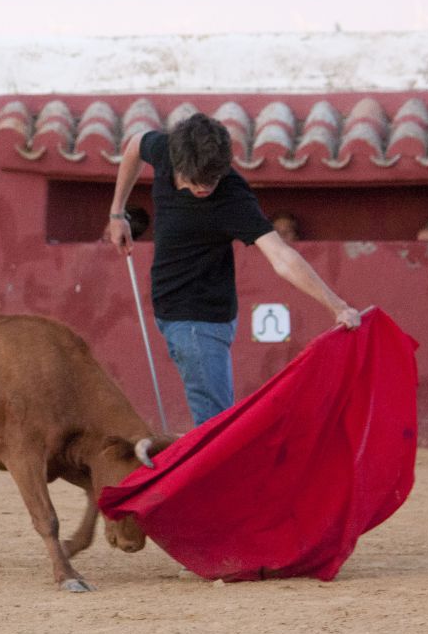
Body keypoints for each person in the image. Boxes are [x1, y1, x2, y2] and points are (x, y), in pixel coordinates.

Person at [105, 113, 360, 429]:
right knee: (216, 425)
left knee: (216, 427)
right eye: (193, 179)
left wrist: (337, 305)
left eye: (210, 180)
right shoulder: (165, 150)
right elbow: (134, 145)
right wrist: (117, 212)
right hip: (173, 311)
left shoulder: (232, 197)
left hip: (202, 320)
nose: (202, 187)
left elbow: (281, 256)